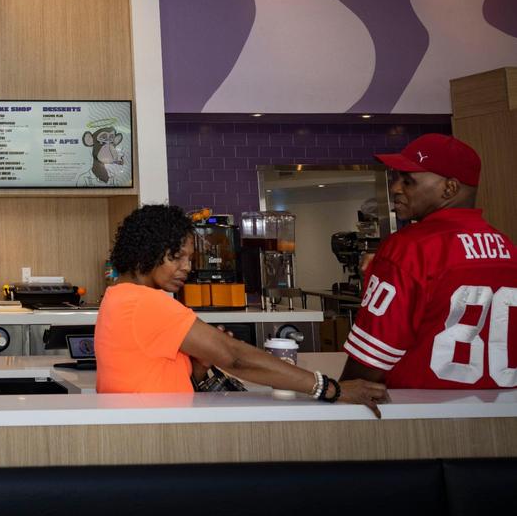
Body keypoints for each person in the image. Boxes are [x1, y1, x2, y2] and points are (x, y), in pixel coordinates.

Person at [95, 204, 386, 416]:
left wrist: (197, 368)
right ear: (146, 252)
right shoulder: (145, 303)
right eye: (176, 257)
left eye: (190, 258)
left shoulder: (119, 297)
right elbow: (235, 358)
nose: (187, 267)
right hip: (156, 434)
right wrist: (329, 388)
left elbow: (148, 377)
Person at [341, 134, 517, 389]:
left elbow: (369, 364)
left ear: (450, 188)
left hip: (421, 415)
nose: (395, 188)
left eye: (408, 181)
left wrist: (336, 398)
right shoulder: (507, 246)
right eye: (397, 178)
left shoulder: (409, 247)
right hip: (500, 414)